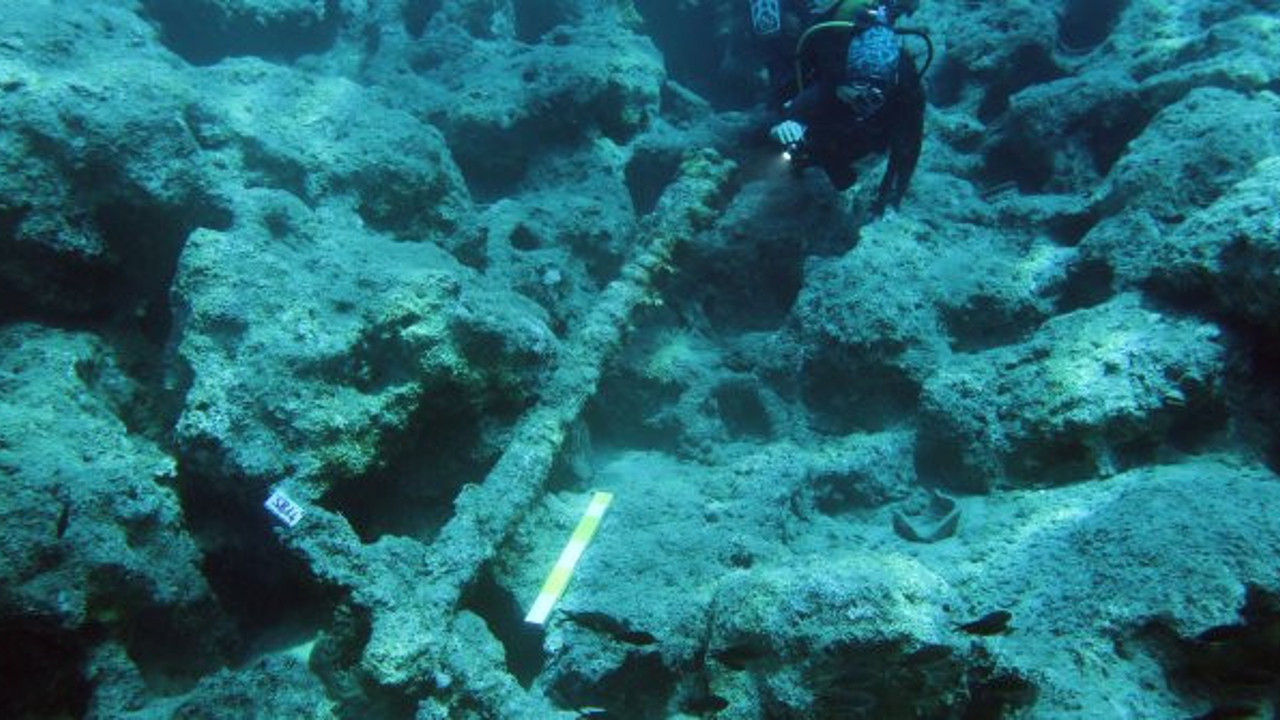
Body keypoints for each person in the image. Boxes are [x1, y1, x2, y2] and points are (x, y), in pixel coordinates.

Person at [759, 0, 927, 212]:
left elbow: (908, 150)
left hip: (866, 132)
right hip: (832, 123)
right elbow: (785, 111)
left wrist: (889, 203)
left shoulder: (905, 88)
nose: (864, 104)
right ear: (842, 82)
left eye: (874, 98)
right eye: (857, 95)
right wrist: (780, 128)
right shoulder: (826, 85)